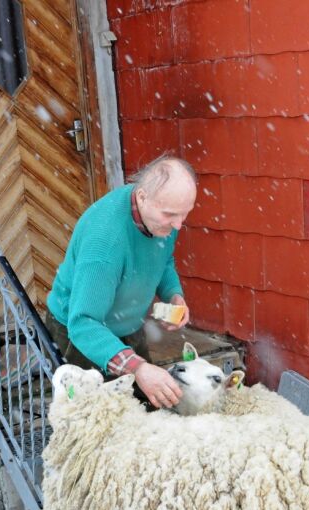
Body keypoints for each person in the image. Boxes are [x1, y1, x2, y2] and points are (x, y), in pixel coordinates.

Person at [44, 155, 196, 409]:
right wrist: (139, 369)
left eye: (185, 214)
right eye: (171, 215)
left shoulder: (161, 216)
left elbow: (163, 259)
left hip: (127, 322)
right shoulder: (104, 243)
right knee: (99, 417)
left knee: (147, 405)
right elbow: (83, 323)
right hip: (81, 333)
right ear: (142, 196)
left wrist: (173, 295)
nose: (179, 224)